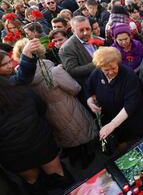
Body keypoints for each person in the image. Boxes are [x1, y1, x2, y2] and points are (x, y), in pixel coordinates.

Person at [13, 39, 97, 167]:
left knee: (64, 136)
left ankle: (74, 159)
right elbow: (74, 88)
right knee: (78, 133)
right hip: (67, 108)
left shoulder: (20, 77)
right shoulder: (53, 71)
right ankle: (86, 159)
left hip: (47, 112)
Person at [0, 79, 73, 195]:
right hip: (41, 143)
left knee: (33, 183)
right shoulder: (20, 89)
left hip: (14, 156)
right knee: (59, 174)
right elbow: (41, 108)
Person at [86, 47, 143, 147]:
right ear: (100, 67)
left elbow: (131, 104)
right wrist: (90, 101)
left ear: (118, 63)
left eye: (114, 68)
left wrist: (113, 124)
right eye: (106, 70)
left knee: (138, 145)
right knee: (121, 146)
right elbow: (88, 88)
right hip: (112, 120)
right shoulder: (96, 74)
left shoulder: (129, 76)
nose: (111, 72)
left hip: (131, 121)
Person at [59, 16, 96, 91]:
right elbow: (72, 70)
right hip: (90, 87)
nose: (86, 32)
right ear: (73, 30)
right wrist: (97, 64)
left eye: (88, 29)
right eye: (81, 30)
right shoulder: (66, 48)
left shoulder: (95, 38)